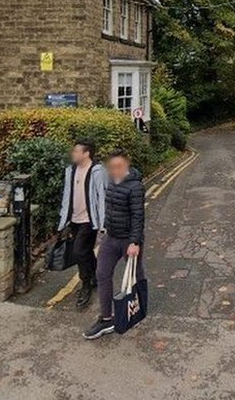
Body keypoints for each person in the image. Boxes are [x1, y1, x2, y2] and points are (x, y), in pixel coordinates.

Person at [83, 148, 146, 340]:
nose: (116, 170)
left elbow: (138, 216)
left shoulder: (135, 186)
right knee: (102, 273)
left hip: (129, 239)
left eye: (119, 166)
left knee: (135, 275)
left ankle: (140, 306)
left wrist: (135, 242)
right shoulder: (111, 180)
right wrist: (103, 231)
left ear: (127, 164)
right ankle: (106, 318)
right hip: (111, 238)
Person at [57, 138, 108, 309]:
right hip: (74, 219)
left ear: (86, 153)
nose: (74, 154)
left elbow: (102, 197)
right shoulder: (70, 170)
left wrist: (102, 224)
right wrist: (63, 220)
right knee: (84, 251)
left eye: (77, 151)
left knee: (79, 252)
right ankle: (94, 276)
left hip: (89, 220)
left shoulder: (97, 171)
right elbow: (67, 195)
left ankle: (85, 285)